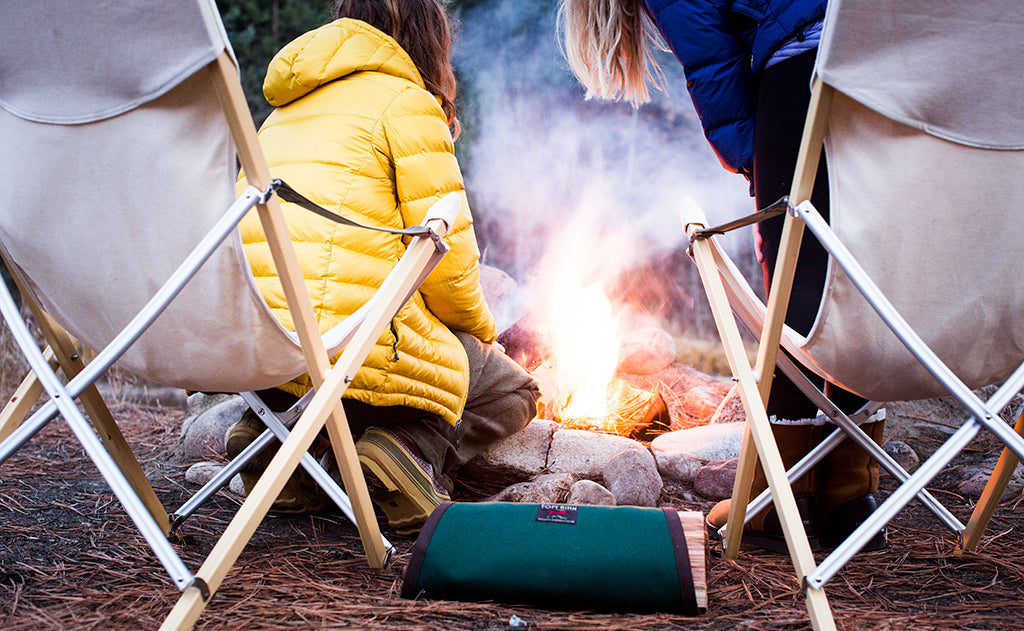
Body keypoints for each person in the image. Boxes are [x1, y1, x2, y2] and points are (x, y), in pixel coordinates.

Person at [558, 0, 884, 552]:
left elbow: (714, 66)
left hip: (803, 76)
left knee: (794, 285)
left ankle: (774, 495)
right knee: (851, 273)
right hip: (880, 59)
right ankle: (849, 495)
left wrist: (756, 160)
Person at [230, 0, 541, 536]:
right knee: (516, 390)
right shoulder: (408, 104)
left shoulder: (285, 107)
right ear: (426, 39)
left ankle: (281, 436)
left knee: (347, 352)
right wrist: (485, 335)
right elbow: (450, 265)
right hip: (355, 343)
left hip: (270, 347)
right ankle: (407, 449)